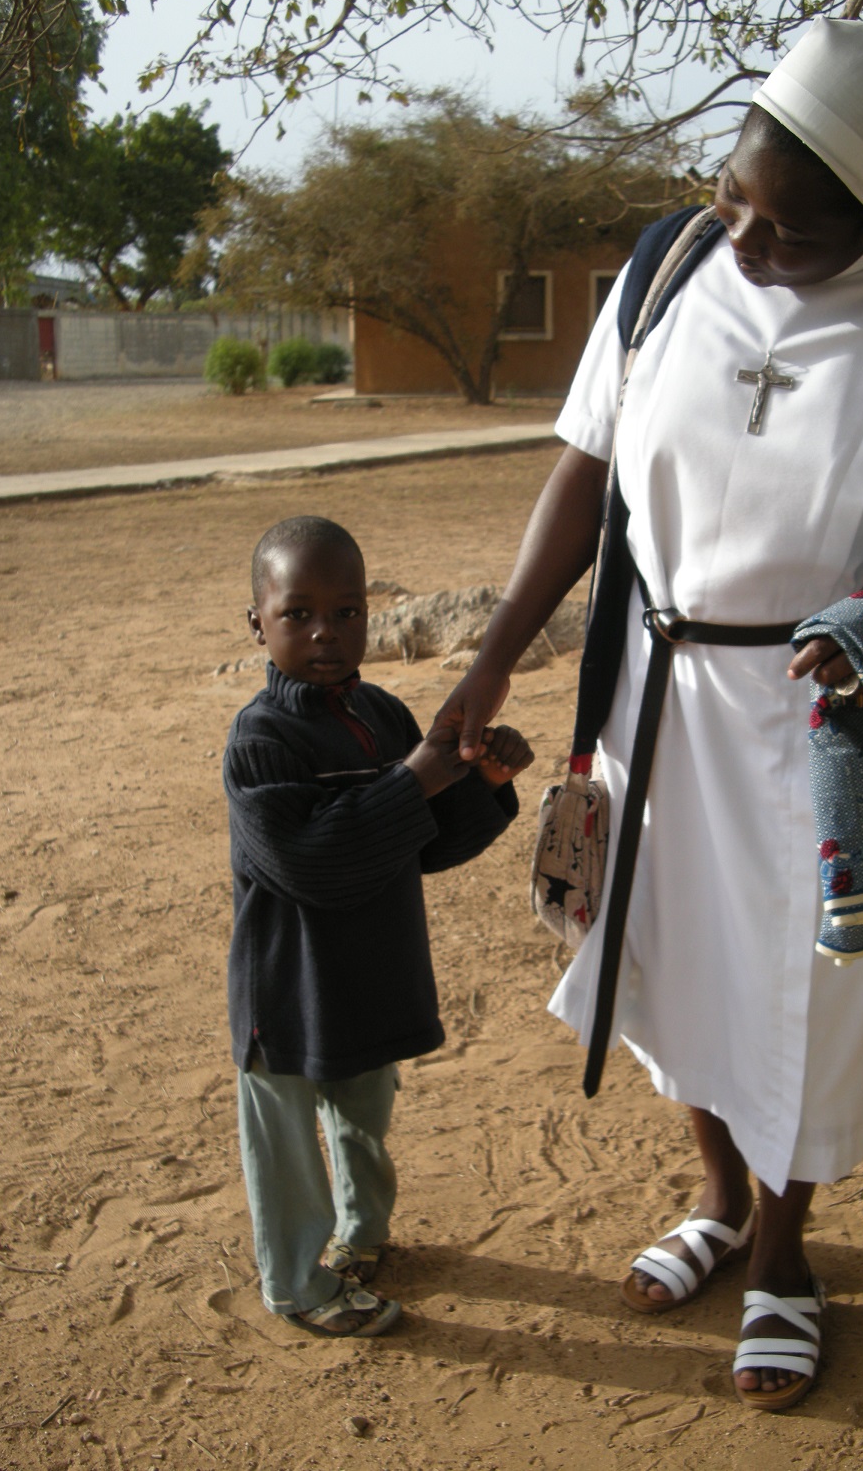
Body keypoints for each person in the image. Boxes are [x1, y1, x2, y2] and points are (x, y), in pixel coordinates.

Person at [435, 19, 863, 1408]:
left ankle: (784, 1255)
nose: (750, 246)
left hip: (832, 730)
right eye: (735, 199)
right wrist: (489, 665)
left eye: (792, 231)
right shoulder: (667, 269)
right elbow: (582, 474)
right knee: (662, 955)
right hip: (654, 704)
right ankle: (717, 1197)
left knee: (808, 996)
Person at [223, 515, 533, 1336]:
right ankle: (295, 1283)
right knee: (287, 1141)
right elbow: (313, 861)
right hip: (287, 985)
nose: (326, 631)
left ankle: (358, 1239)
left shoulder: (383, 715)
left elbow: (421, 848)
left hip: (367, 968)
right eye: (298, 613)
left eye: (348, 610)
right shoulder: (261, 740)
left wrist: (479, 785)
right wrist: (417, 777)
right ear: (257, 622)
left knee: (363, 1114)